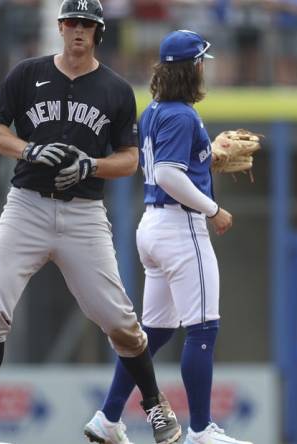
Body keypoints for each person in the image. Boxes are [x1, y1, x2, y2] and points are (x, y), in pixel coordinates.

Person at [0, 1, 181, 443]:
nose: (78, 30)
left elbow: (130, 159)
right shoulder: (27, 73)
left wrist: (92, 165)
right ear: (59, 27)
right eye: (72, 22)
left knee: (119, 320)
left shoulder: (114, 89)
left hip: (83, 214)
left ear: (98, 33)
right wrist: (28, 149)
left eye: (87, 24)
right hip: (27, 207)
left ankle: (154, 405)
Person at [84, 30, 253, 444]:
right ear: (192, 68)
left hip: (153, 228)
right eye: (201, 63)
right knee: (203, 329)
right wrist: (214, 208)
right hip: (181, 228)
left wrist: (207, 155)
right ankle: (200, 430)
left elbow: (174, 167)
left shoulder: (157, 110)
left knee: (153, 333)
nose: (203, 70)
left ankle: (107, 420)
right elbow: (167, 174)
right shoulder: (181, 115)